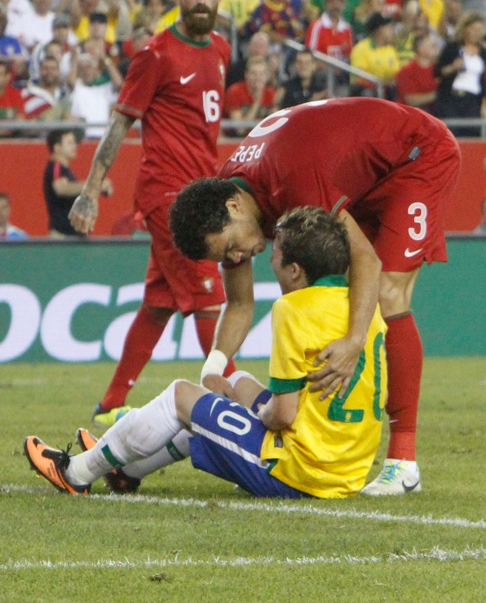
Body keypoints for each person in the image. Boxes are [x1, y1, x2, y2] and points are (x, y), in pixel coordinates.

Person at [169, 97, 462, 496]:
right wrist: (213, 368)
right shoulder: (225, 201)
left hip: (416, 154)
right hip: (358, 174)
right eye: (225, 257)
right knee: (326, 294)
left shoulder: (292, 180)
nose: (236, 259)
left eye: (232, 248)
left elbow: (367, 261)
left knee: (386, 293)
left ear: (234, 207)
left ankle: (403, 462)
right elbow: (239, 303)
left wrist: (354, 341)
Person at [24, 206, 388, 499]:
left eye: (275, 254)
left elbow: (282, 415)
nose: (269, 259)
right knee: (236, 383)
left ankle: (76, 472)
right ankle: (126, 470)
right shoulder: (365, 308)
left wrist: (259, 416)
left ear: (295, 270)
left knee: (181, 396)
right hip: (346, 469)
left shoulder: (294, 308)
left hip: (301, 472)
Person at [67, 0, 236, 429]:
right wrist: (90, 189)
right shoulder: (156, 54)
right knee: (209, 298)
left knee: (159, 303)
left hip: (200, 190)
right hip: (167, 194)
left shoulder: (221, 50)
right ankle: (233, 406)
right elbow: (120, 125)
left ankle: (111, 403)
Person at [43, 128, 113, 238]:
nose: (74, 146)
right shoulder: (56, 167)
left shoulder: (66, 171)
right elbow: (61, 188)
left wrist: (97, 188)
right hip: (62, 236)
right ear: (57, 148)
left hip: (74, 235)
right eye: (69, 143)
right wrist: (94, 185)